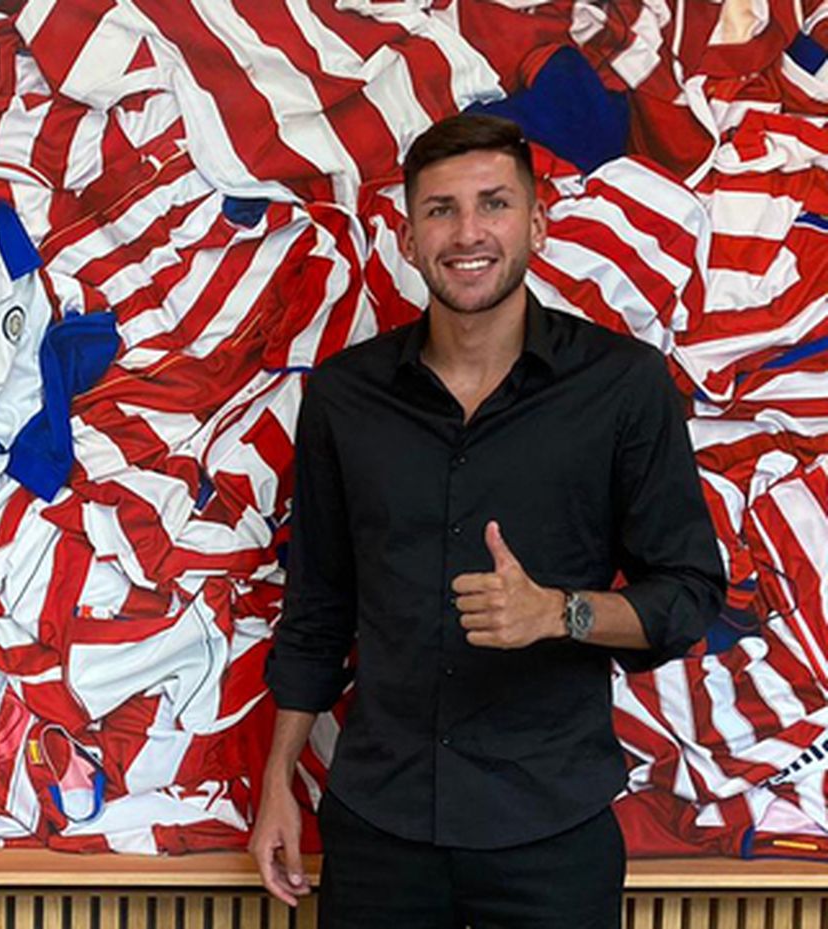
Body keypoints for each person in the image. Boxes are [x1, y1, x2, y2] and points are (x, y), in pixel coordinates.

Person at [249, 113, 725, 928]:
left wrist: (559, 612)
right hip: (379, 828)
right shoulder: (342, 397)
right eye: (440, 210)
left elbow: (688, 595)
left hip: (551, 831)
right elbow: (317, 609)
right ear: (406, 237)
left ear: (537, 223)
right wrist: (277, 791)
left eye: (494, 204)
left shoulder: (622, 386)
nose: (468, 232)